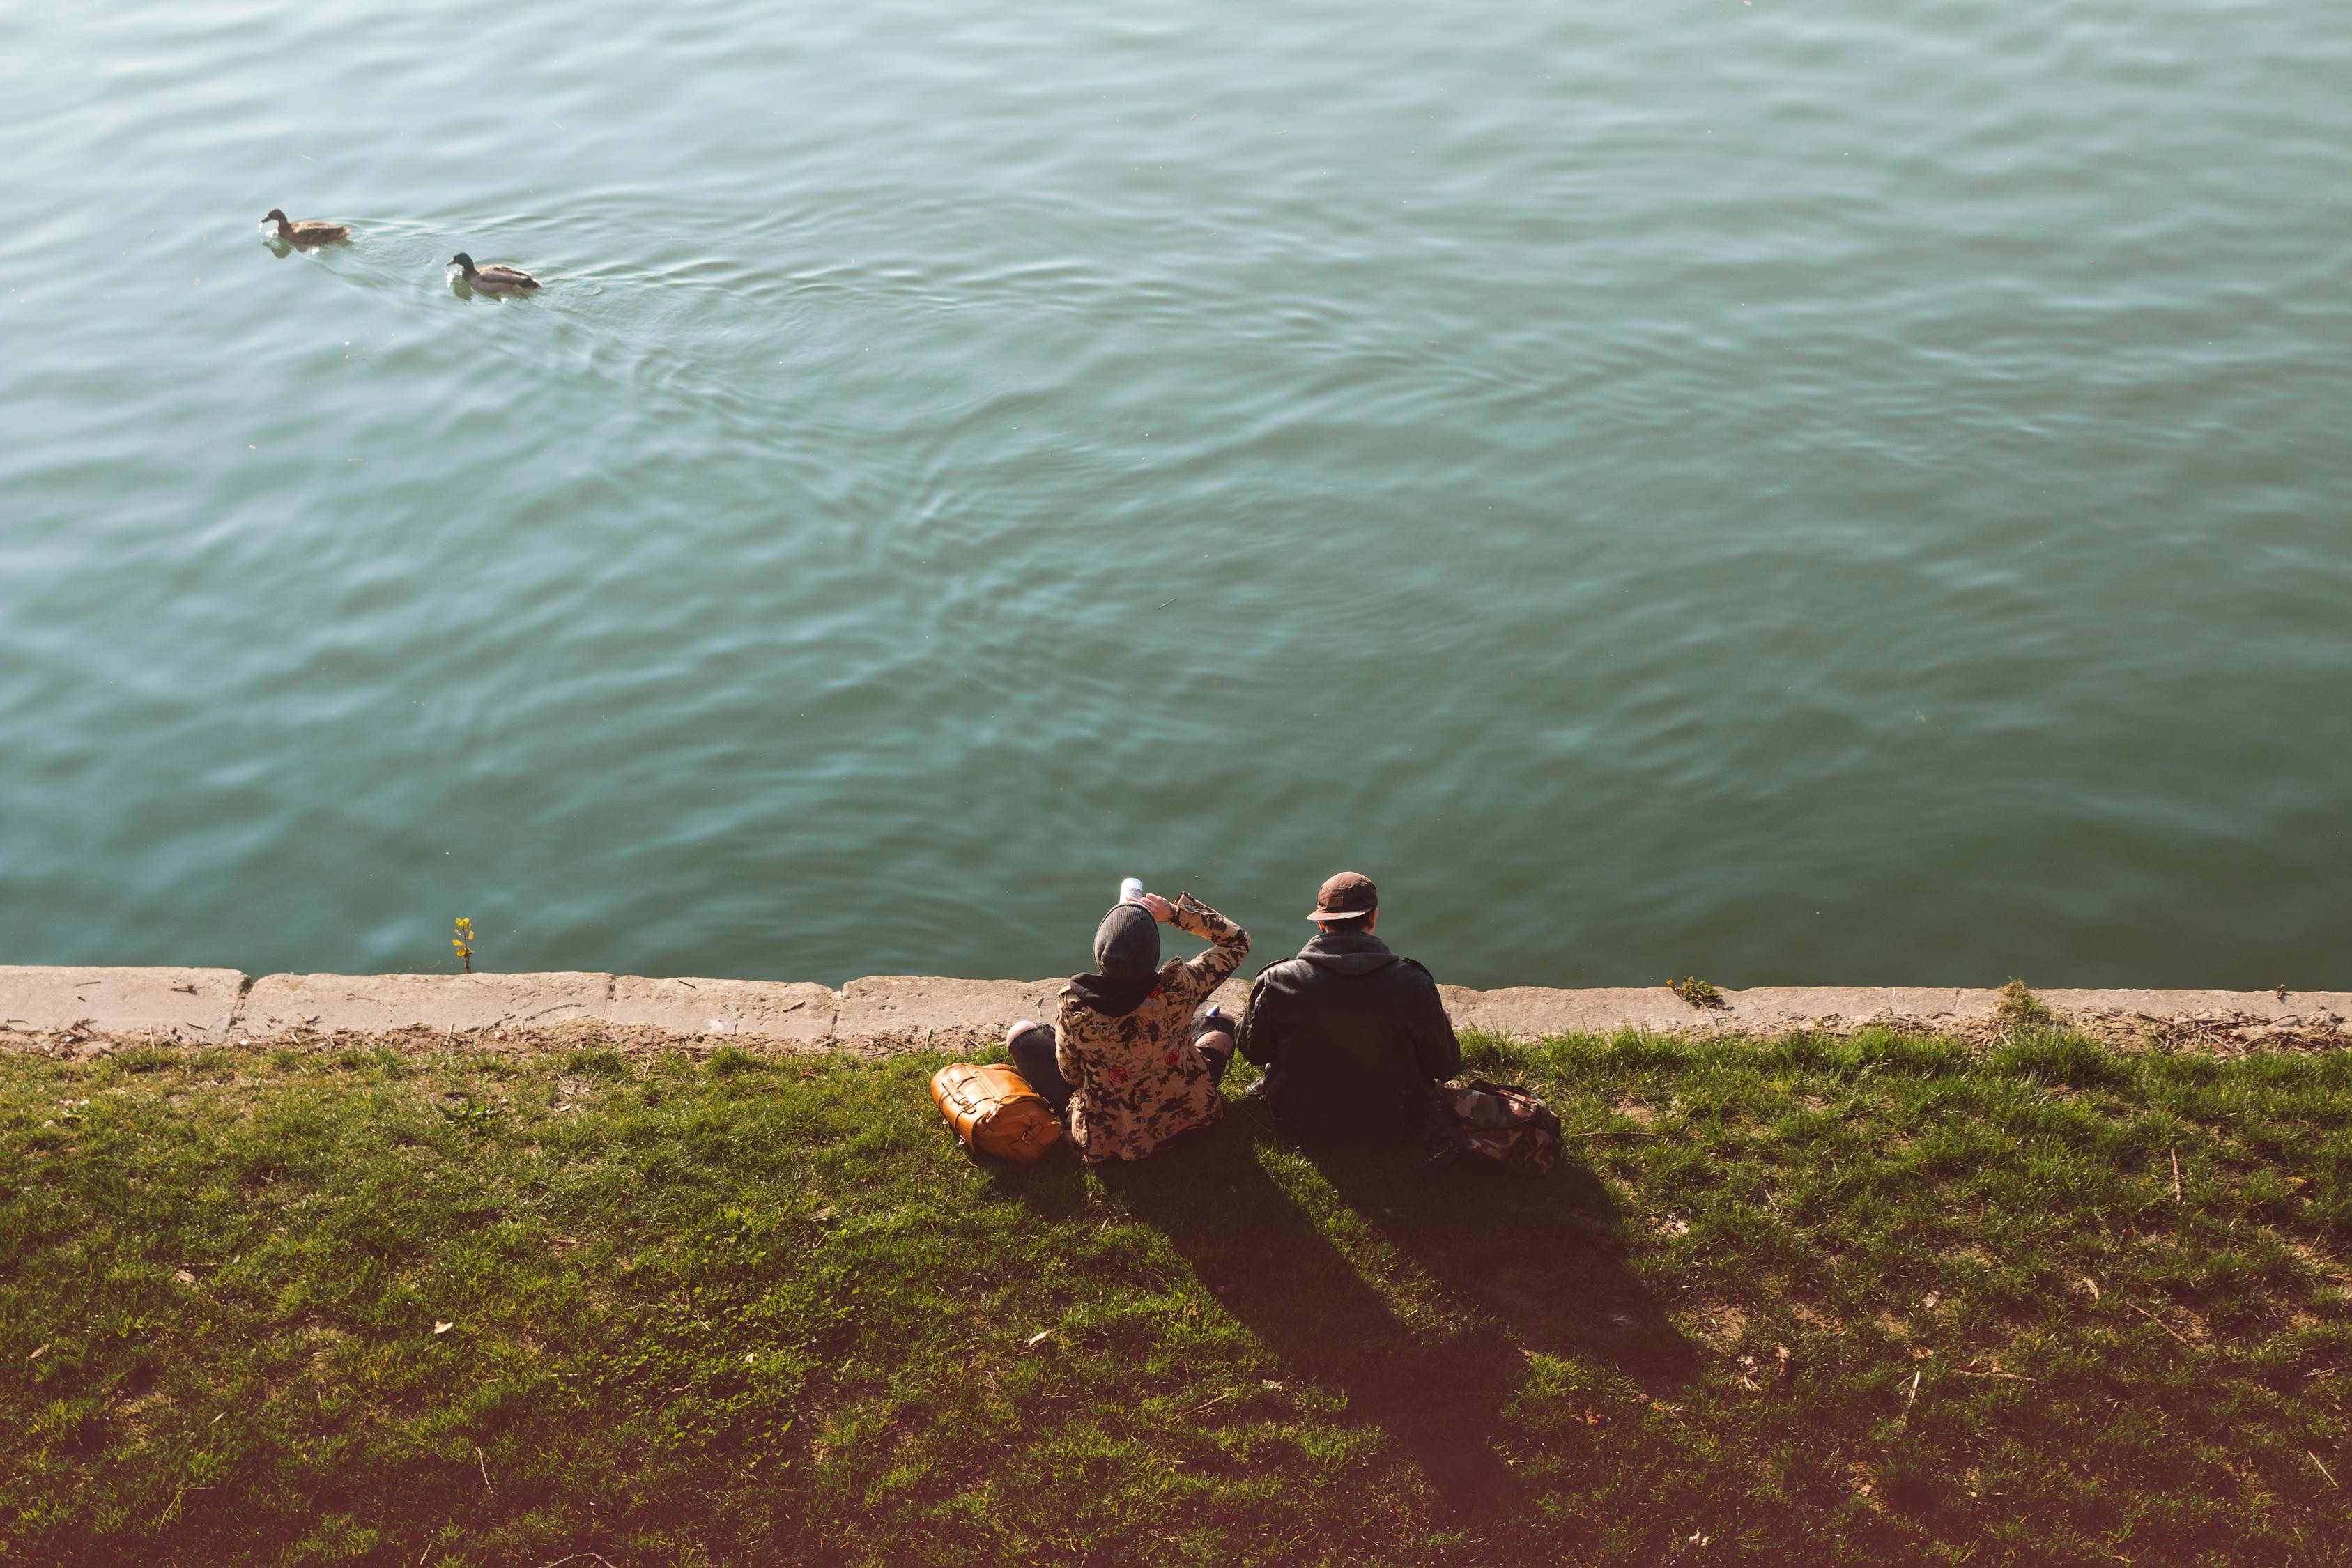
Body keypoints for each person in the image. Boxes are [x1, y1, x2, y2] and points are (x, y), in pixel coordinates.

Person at [1004, 890, 1250, 1163]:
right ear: (1153, 954)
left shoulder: (1076, 1008)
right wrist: (1174, 914)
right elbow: (1237, 942)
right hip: (1186, 1113)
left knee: (1022, 1034)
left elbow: (1071, 1075)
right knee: (1221, 1020)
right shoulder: (1182, 985)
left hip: (1111, 1133)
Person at [1234, 871, 1460, 1144]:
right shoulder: (1413, 984)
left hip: (1300, 1124)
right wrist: (1440, 1025)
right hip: (1397, 1125)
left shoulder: (1277, 981)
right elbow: (1447, 1066)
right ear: (1374, 917)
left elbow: (1254, 1053)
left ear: (1320, 923)